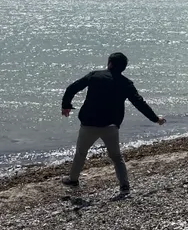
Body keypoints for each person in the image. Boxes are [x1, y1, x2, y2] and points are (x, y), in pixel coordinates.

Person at [60, 52, 166, 196]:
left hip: (89, 124)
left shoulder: (95, 76)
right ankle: (124, 186)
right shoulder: (126, 83)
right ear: (123, 68)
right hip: (111, 126)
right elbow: (139, 103)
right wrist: (155, 119)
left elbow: (72, 88)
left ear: (109, 63)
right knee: (116, 157)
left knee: (81, 153)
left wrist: (66, 105)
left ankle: (73, 180)